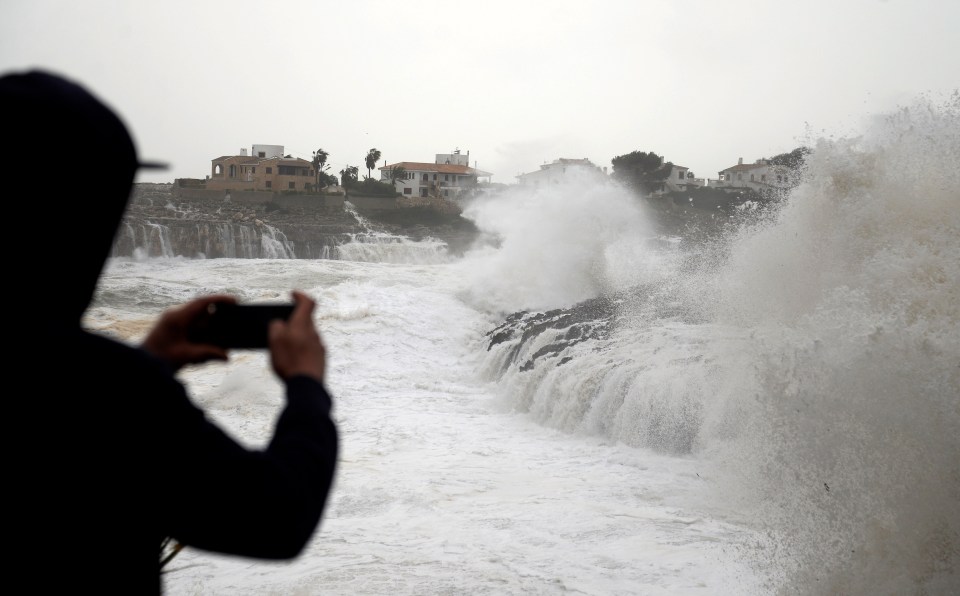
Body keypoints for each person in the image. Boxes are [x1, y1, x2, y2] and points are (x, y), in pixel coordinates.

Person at [3, 69, 339, 593]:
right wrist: (307, 386)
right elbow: (277, 516)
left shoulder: (108, 385)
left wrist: (150, 361)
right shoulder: (102, 389)